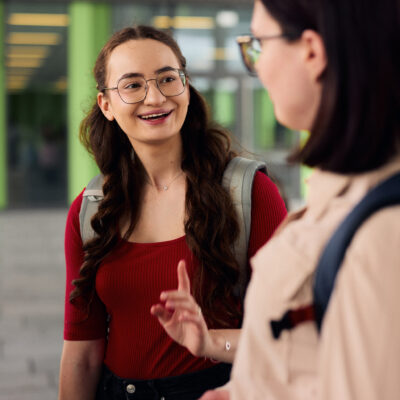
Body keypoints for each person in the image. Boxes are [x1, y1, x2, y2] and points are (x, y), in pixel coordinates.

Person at [58, 25, 287, 400]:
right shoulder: (91, 208)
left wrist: (210, 341)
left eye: (168, 78)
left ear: (186, 87)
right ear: (106, 105)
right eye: (132, 85)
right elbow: (82, 352)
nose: (155, 97)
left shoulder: (249, 194)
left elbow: (288, 336)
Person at [195, 0, 400, 399]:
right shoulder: (339, 196)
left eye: (258, 44)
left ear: (311, 51)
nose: (255, 65)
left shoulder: (381, 232)